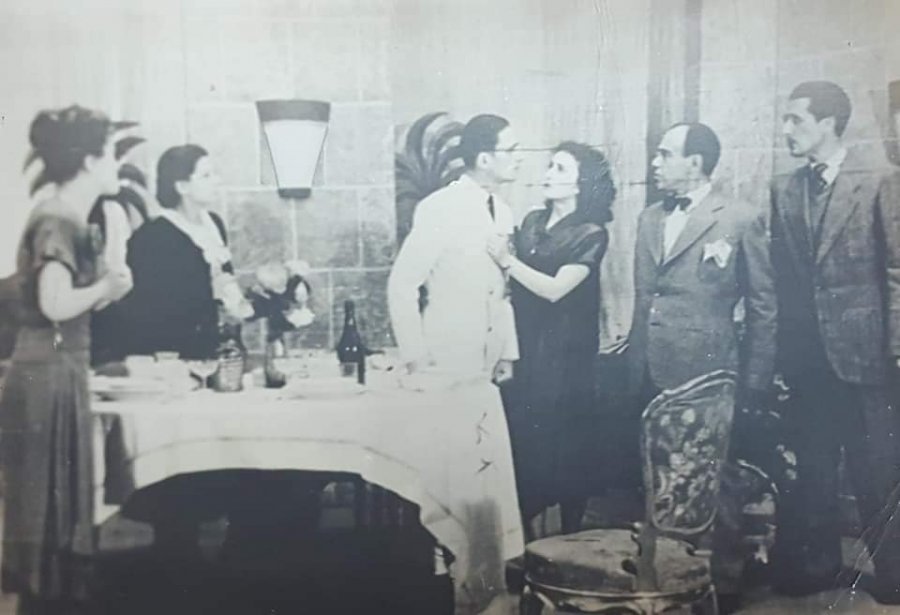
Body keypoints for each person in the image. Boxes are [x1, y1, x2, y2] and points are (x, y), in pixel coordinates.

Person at [769, 80, 900, 603]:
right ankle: (819, 567)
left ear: (828, 124)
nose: (786, 130)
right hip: (808, 358)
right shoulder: (783, 188)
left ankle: (894, 574)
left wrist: (897, 346)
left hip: (866, 354)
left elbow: (896, 270)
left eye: (796, 120)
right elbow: (783, 277)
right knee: (814, 467)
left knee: (877, 470)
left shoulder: (878, 183)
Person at [0, 105, 133, 614]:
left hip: (56, 369)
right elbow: (54, 304)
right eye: (112, 154)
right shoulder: (58, 219)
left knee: (53, 510)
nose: (118, 165)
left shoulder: (65, 214)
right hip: (47, 375)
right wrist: (105, 286)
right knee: (46, 512)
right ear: (89, 161)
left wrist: (108, 286)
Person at [487, 141, 615, 536]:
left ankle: (571, 537)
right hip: (527, 346)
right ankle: (523, 542)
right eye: (549, 166)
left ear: (581, 183)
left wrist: (507, 261)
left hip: (566, 354)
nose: (548, 174)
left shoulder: (592, 233)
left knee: (566, 446)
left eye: (560, 168)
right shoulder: (531, 222)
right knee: (525, 442)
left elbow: (556, 289)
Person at [627, 121, 776, 406]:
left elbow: (763, 306)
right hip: (642, 370)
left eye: (665, 155)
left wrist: (756, 380)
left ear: (694, 163)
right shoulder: (648, 218)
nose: (655, 163)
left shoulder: (740, 218)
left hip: (703, 374)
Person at [388, 113, 521, 381]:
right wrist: (415, 355)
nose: (519, 158)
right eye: (510, 150)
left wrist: (507, 352)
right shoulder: (439, 208)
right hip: (446, 354)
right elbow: (402, 285)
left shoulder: (503, 212)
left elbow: (501, 291)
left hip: (489, 356)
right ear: (484, 160)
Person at [119, 143, 249, 360]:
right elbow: (153, 304)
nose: (217, 181)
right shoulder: (154, 235)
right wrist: (211, 291)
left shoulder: (214, 223)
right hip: (170, 351)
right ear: (182, 186)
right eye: (206, 176)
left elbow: (225, 279)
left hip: (210, 346)